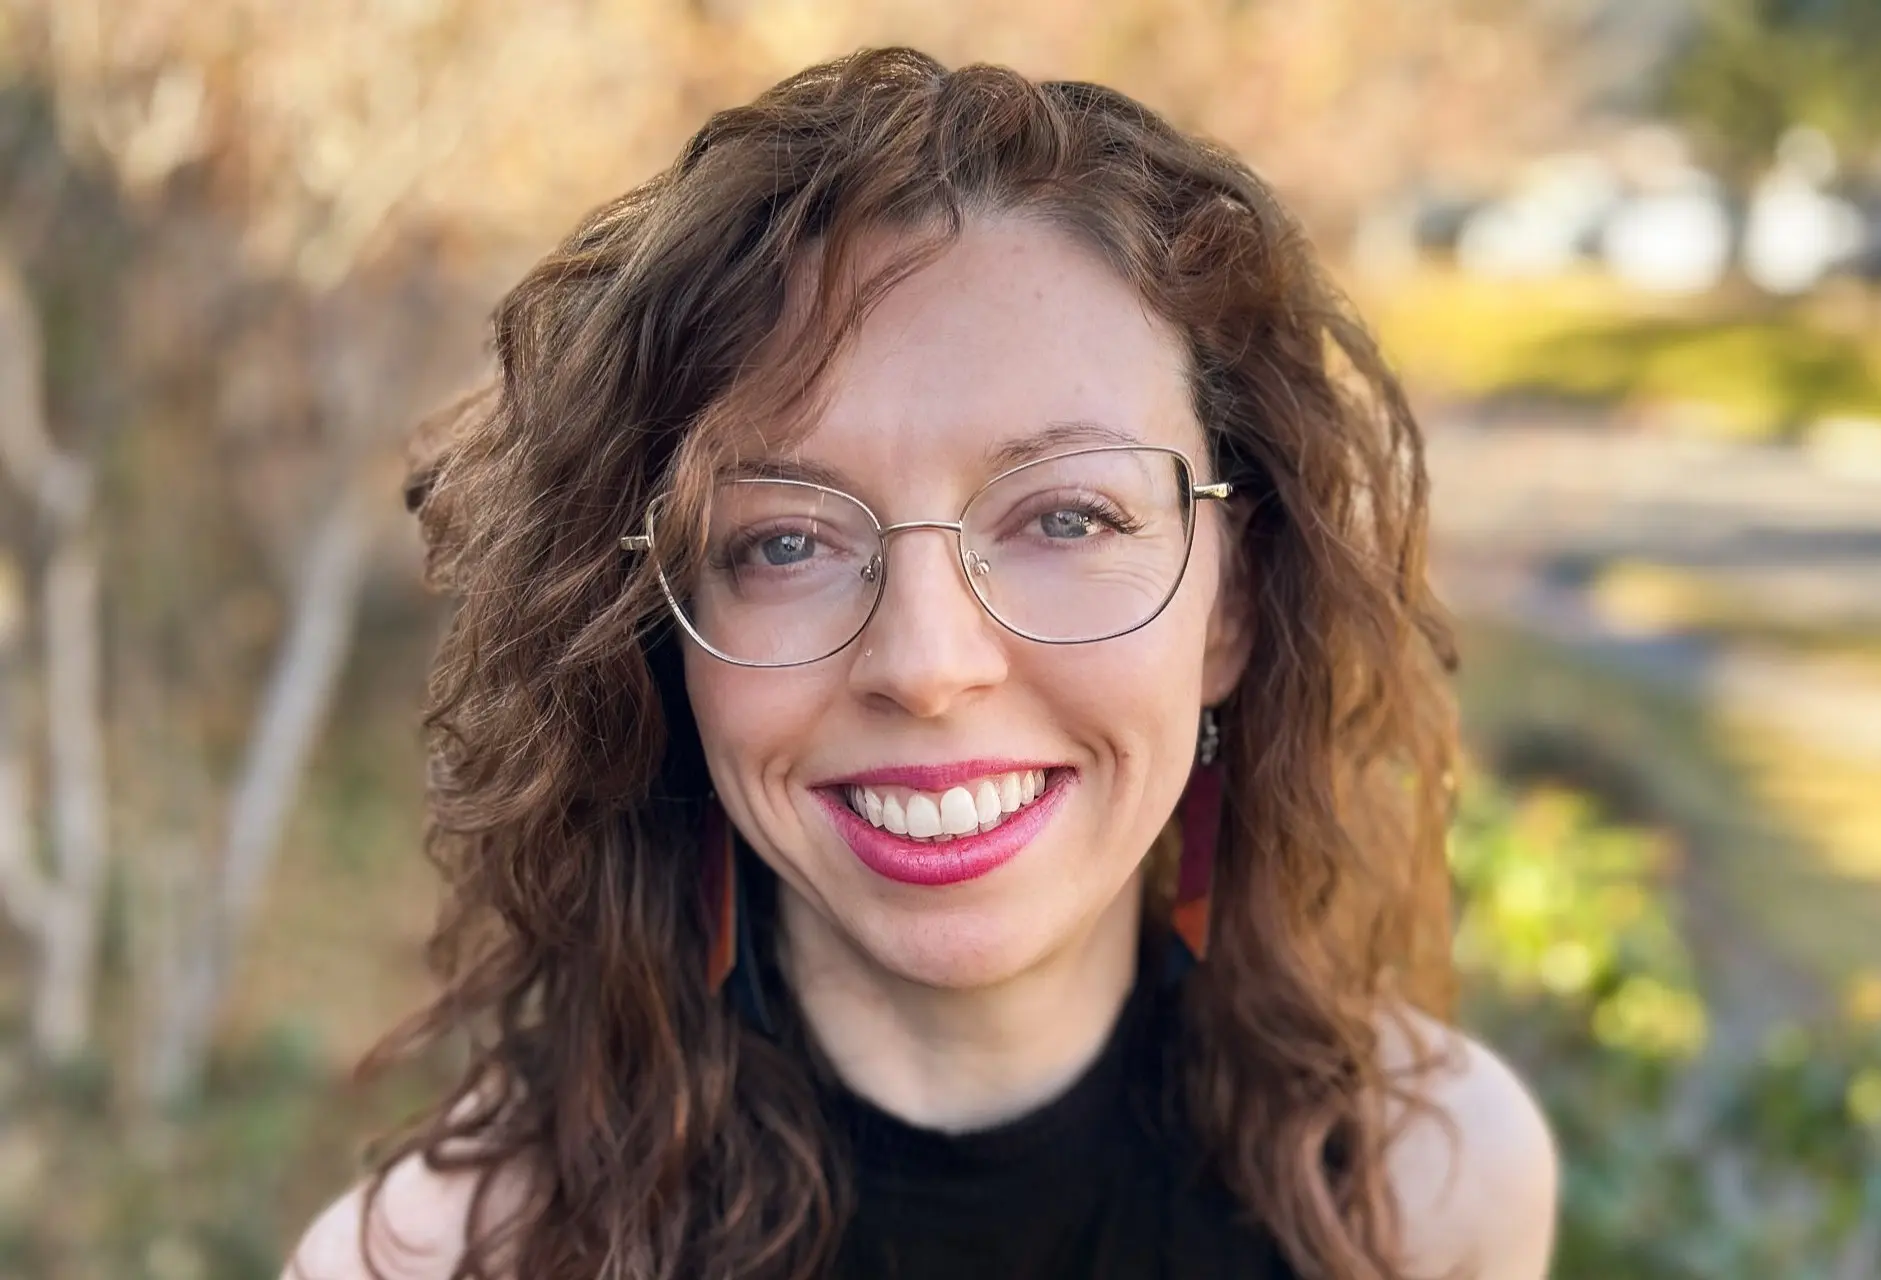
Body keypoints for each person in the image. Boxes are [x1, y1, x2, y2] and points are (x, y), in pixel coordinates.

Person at [284, 47, 1557, 1280]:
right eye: (784, 541)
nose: (928, 663)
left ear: (1232, 603)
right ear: (661, 637)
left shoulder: (1426, 1194)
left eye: (1068, 517)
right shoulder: (435, 1263)